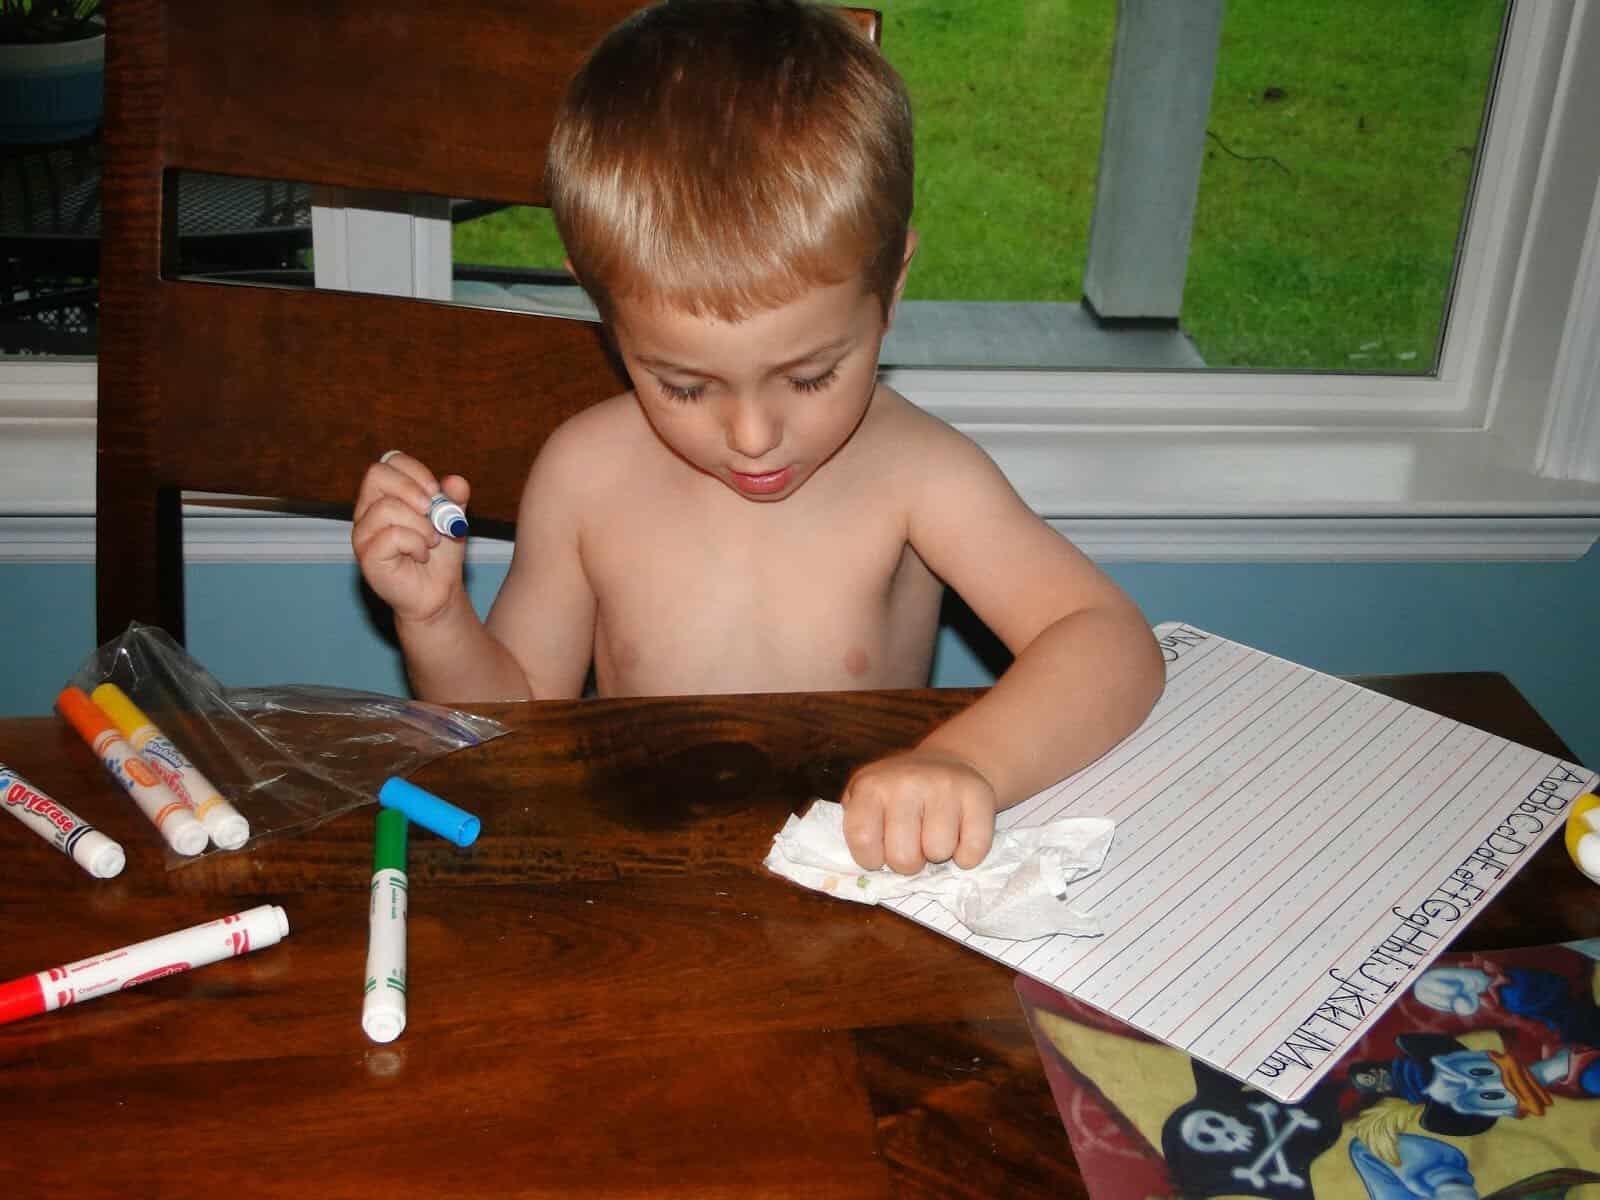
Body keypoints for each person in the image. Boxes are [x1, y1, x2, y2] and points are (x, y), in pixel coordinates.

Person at [351, 0, 1163, 875]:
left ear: (890, 288)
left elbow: (1109, 642)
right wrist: (435, 620)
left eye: (810, 376)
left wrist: (966, 762)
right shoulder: (585, 476)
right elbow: (508, 728)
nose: (753, 436)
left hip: (861, 885)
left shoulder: (919, 475)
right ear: (601, 306)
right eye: (686, 385)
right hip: (647, 883)